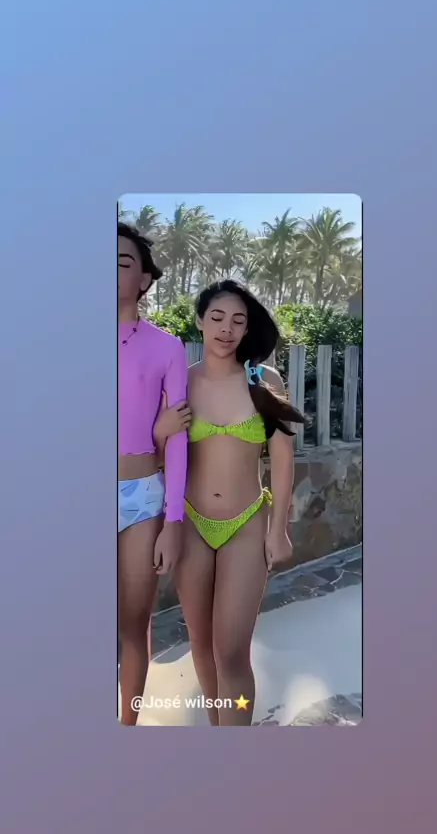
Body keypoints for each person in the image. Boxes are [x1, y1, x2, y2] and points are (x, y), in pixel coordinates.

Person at [154, 280, 304, 726]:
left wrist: (278, 529)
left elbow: (282, 457)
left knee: (232, 652)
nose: (226, 329)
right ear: (200, 321)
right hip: (191, 524)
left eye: (238, 321)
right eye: (217, 317)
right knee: (201, 646)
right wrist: (161, 430)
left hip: (247, 523)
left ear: (247, 329)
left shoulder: (264, 380)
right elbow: (159, 454)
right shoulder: (180, 380)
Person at [118, 221, 188, 725]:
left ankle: (127, 726)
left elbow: (179, 435)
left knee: (133, 623)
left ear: (144, 279)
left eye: (122, 262)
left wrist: (173, 522)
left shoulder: (167, 347)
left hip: (142, 497)